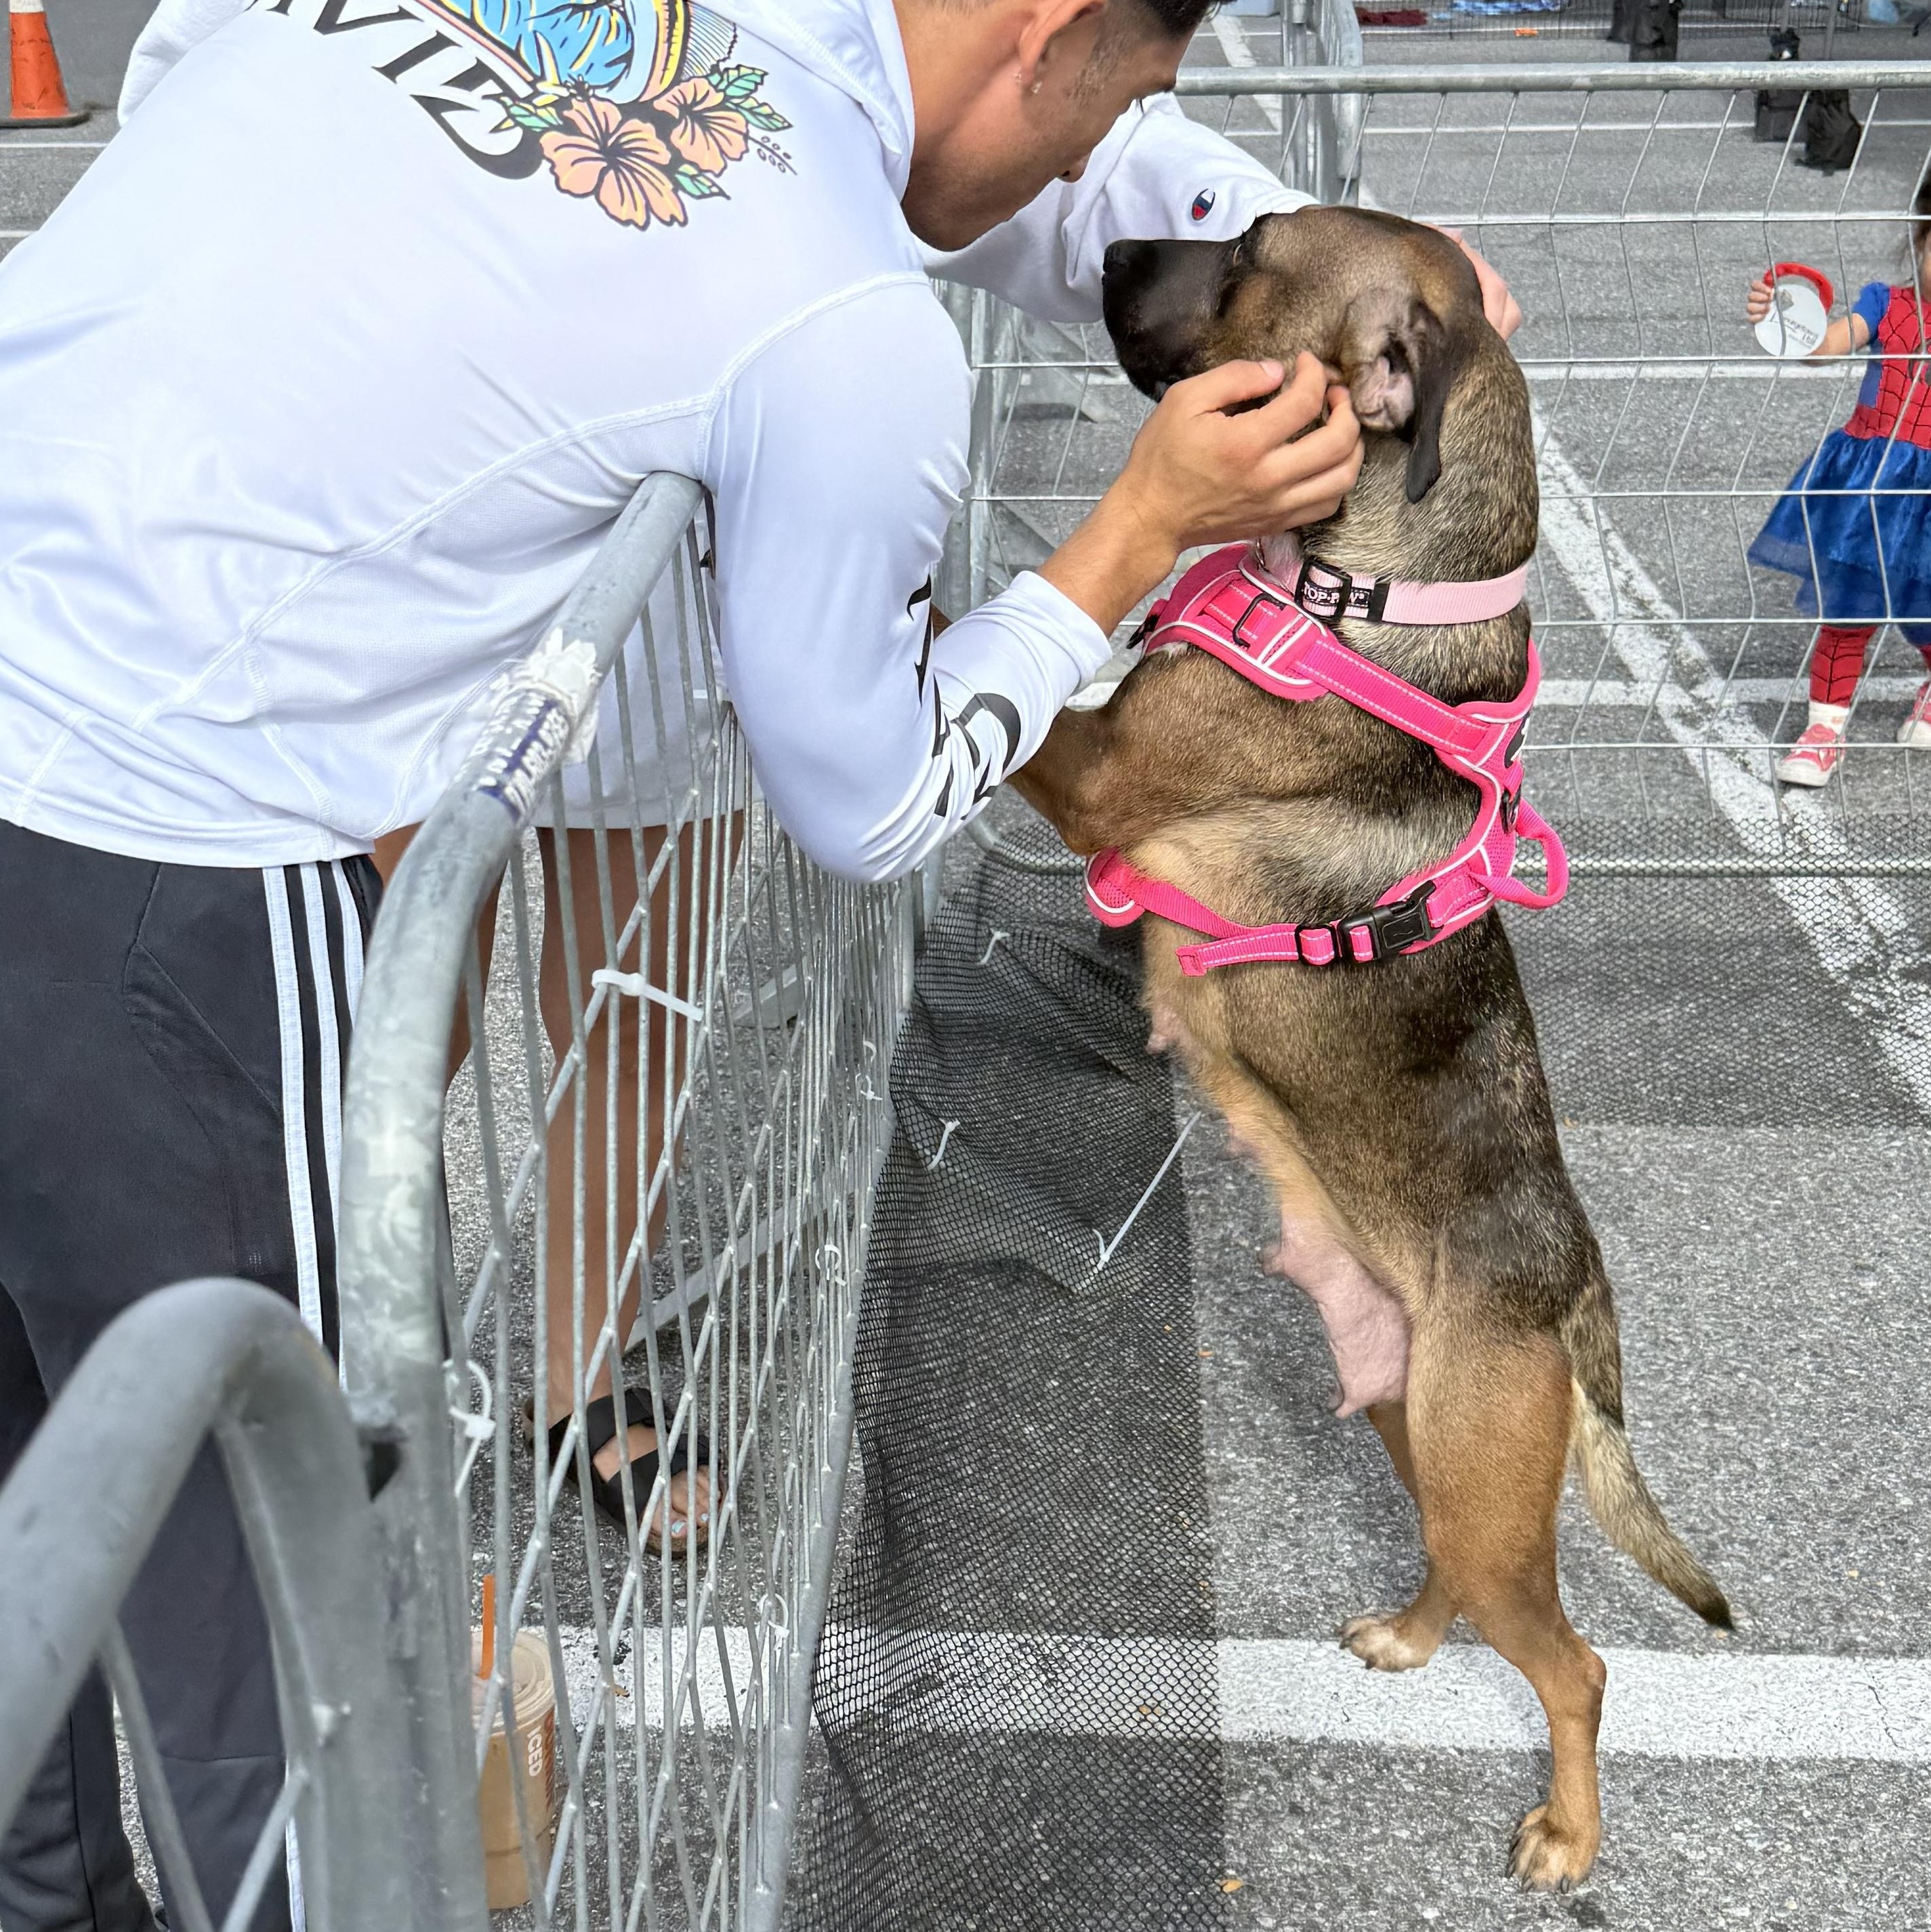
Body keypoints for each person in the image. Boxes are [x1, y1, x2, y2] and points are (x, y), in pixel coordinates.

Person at [0, 1, 1517, 1925]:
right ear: (1047, 34)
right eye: (1102, 116)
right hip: (153, 855)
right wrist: (1129, 537)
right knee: (267, 1642)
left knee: (28, 1508)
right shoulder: (831, 309)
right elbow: (865, 799)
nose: (1072, 185)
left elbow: (194, 90)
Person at [1746, 176, 1931, 786]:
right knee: (1847, 608)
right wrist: (1786, 319)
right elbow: (1827, 346)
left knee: (1927, 609)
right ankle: (1824, 728)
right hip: (1870, 485)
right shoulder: (1888, 303)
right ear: (1921, 241)